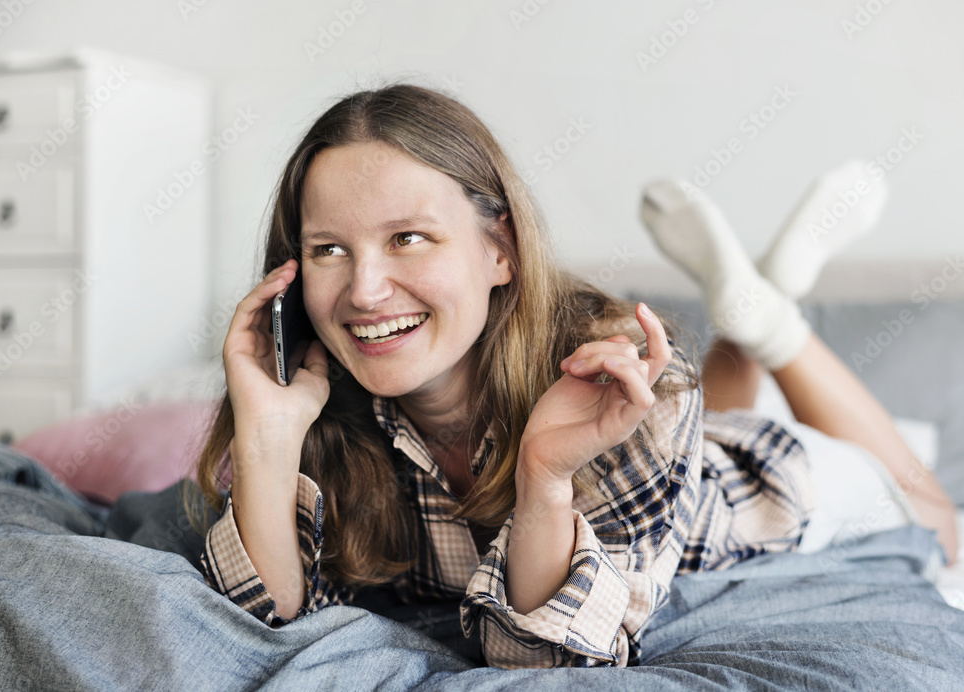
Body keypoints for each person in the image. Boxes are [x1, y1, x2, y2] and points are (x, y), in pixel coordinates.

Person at [186, 83, 958, 669]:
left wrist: (544, 478)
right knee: (705, 403)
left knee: (941, 521)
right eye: (328, 250)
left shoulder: (627, 387)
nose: (362, 291)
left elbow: (553, 664)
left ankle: (769, 325)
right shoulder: (313, 409)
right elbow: (260, 630)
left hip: (755, 492)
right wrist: (267, 436)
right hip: (671, 439)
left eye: (410, 238)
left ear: (502, 251)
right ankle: (754, 308)